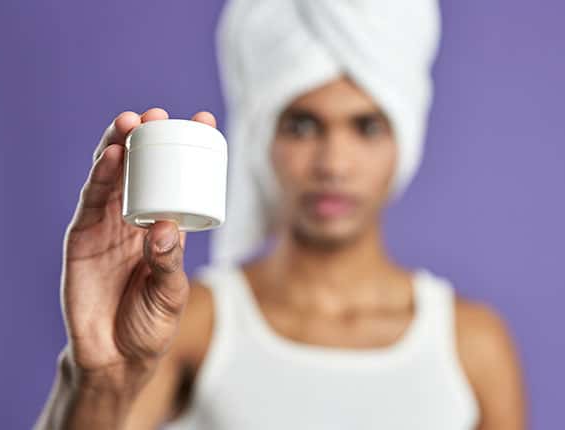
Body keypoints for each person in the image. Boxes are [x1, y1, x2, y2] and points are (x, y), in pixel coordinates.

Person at [36, 1, 526, 429]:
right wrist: (98, 378)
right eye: (302, 124)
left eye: (367, 126)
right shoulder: (193, 323)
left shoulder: (473, 344)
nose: (333, 164)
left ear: (406, 137)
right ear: (259, 135)